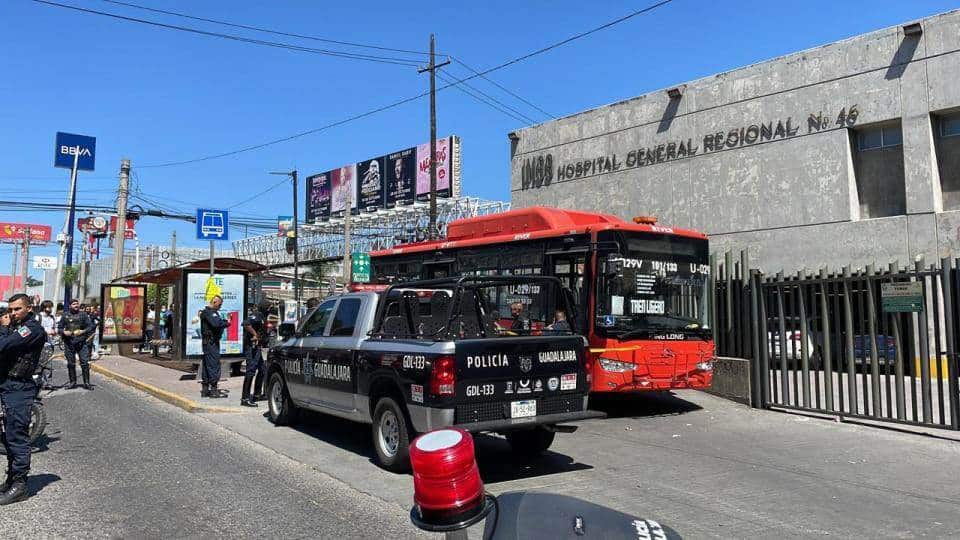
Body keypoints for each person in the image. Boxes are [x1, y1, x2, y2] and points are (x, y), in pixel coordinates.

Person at [0, 294, 46, 505]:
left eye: (17, 309)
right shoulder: (15, 327)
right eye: (10, 309)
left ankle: (20, 485)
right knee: (8, 435)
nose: (13, 313)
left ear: (29, 308)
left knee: (17, 435)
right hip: (8, 385)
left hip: (20, 387)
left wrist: (3, 328)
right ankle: (11, 479)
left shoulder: (31, 329)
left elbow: (4, 345)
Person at [199, 295, 231, 399]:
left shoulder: (209, 313)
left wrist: (224, 322)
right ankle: (213, 389)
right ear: (214, 302)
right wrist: (228, 322)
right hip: (211, 343)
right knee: (213, 364)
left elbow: (218, 323)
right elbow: (217, 324)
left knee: (207, 364)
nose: (220, 306)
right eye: (219, 304)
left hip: (210, 342)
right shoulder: (209, 312)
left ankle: (205, 389)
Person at [58, 298, 95, 390]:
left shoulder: (83, 315)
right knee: (71, 363)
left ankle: (86, 383)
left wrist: (82, 331)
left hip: (81, 343)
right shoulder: (65, 315)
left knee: (85, 363)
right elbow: (59, 328)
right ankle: (72, 382)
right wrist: (63, 332)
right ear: (70, 306)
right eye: (74, 304)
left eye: (77, 304)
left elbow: (90, 326)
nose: (76, 305)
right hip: (69, 343)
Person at [240, 301, 271, 407]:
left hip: (257, 347)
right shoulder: (257, 315)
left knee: (262, 369)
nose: (270, 310)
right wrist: (255, 334)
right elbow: (245, 324)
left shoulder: (262, 316)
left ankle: (257, 394)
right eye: (269, 308)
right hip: (251, 347)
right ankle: (245, 398)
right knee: (251, 370)